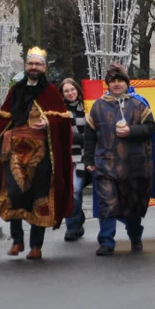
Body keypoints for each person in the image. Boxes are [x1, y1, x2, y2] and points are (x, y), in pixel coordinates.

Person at [0, 47, 74, 260]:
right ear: (25, 66)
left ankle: (36, 246)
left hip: (41, 157)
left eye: (38, 64)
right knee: (13, 195)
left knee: (39, 198)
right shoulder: (16, 91)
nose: (33, 68)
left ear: (44, 68)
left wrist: (49, 123)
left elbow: (63, 123)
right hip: (13, 152)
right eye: (30, 64)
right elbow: (4, 122)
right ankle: (17, 240)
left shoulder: (51, 92)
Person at [83, 63, 155, 256]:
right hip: (106, 163)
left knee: (132, 204)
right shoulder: (98, 106)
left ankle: (135, 235)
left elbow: (150, 129)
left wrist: (131, 131)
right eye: (113, 81)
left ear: (126, 83)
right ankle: (106, 241)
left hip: (133, 165)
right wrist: (88, 159)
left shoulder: (139, 105)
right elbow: (89, 136)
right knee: (108, 203)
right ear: (108, 84)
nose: (116, 84)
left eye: (120, 80)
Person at [61, 78, 89, 242]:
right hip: (68, 158)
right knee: (72, 191)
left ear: (77, 90)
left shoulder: (87, 106)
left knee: (75, 191)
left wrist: (74, 137)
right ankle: (73, 225)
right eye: (66, 91)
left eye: (72, 89)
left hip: (88, 156)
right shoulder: (60, 110)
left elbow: (93, 133)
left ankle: (75, 223)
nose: (70, 93)